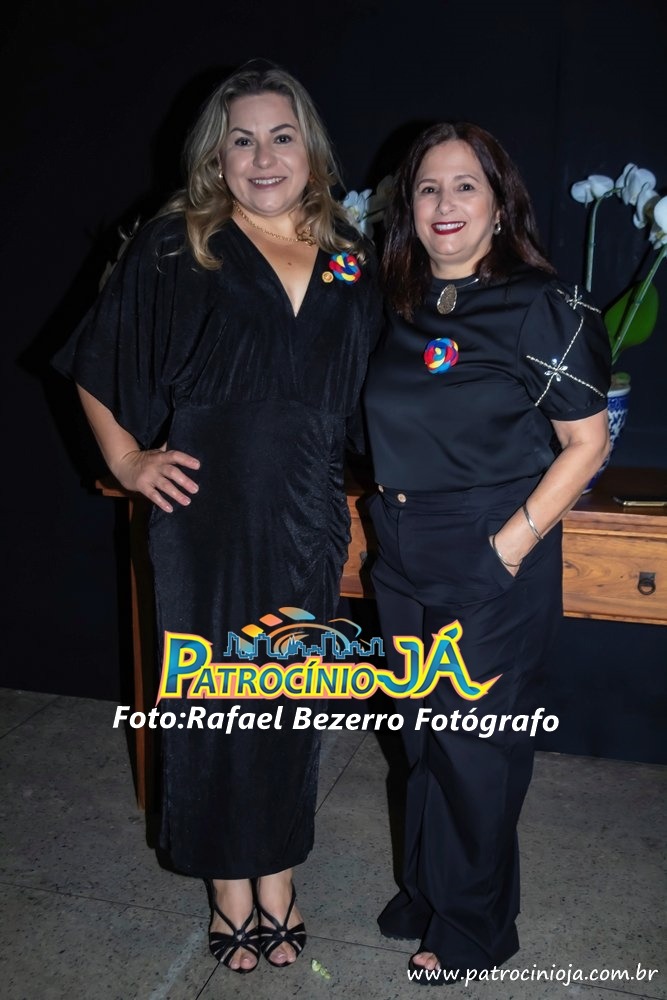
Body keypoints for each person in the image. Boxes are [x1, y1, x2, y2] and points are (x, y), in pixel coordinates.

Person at [54, 61, 380, 974]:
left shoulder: (349, 254)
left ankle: (278, 873)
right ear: (217, 155)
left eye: (280, 136)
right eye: (242, 139)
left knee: (290, 702)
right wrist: (127, 460)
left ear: (309, 150)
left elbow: (378, 383)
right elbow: (97, 360)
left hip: (306, 511)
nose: (262, 156)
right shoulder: (180, 244)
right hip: (205, 514)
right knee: (214, 704)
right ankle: (227, 887)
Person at [363, 122, 610, 979]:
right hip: (400, 547)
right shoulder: (396, 302)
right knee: (421, 737)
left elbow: (586, 441)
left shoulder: (538, 301)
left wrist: (506, 548)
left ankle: (470, 928)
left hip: (488, 543)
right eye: (427, 187)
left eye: (464, 185)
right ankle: (428, 892)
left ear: (499, 205)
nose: (444, 203)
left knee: (474, 748)